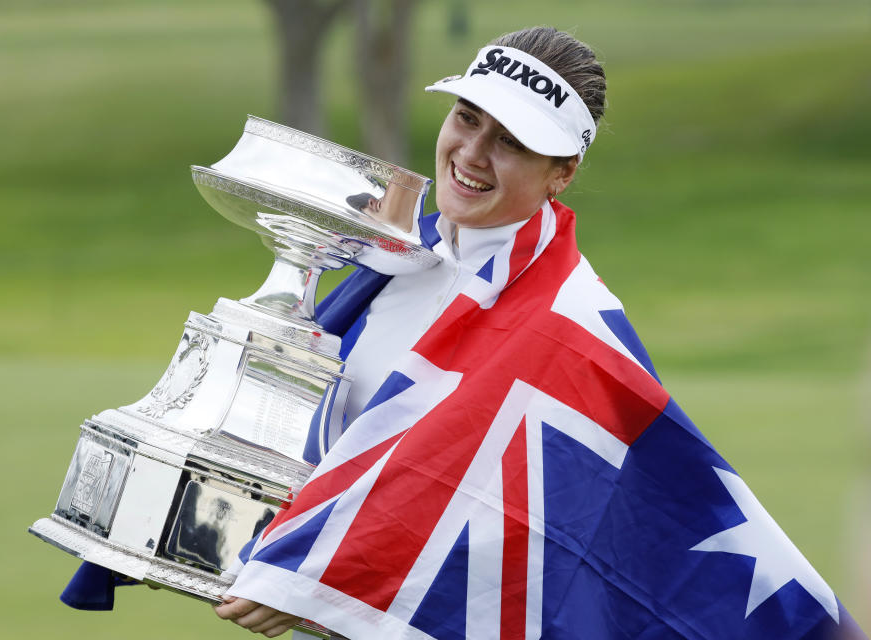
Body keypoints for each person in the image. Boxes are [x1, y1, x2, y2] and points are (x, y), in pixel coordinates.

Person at [215, 26, 860, 640]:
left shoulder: (573, 326)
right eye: (467, 117)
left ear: (563, 172)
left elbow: (516, 521)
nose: (471, 153)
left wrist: (317, 570)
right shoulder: (392, 257)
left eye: (511, 142)